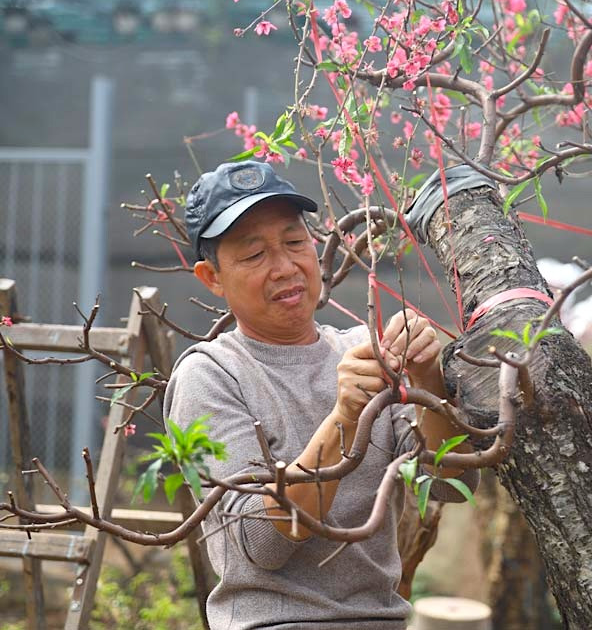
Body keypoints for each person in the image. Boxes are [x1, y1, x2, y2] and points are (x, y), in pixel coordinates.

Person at [163, 160, 477, 630]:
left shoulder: (360, 351)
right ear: (211, 278)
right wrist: (345, 417)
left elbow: (451, 485)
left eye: (294, 242)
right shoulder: (208, 376)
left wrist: (428, 380)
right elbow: (261, 545)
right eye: (254, 256)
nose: (285, 267)